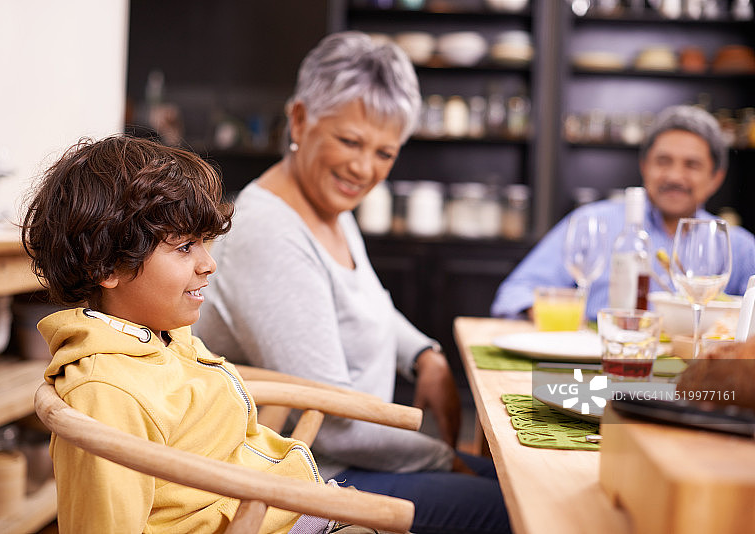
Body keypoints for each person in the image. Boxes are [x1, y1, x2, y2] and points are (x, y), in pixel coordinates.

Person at [194, 31, 510, 534]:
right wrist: (441, 456)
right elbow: (338, 426)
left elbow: (367, 302)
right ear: (299, 120)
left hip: (360, 457)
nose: (363, 169)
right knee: (516, 509)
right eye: (349, 141)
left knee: (514, 485)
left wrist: (424, 356)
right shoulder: (271, 232)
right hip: (314, 475)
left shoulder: (329, 208)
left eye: (385, 153)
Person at [21, 135, 328, 533]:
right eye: (185, 247)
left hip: (293, 501)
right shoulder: (108, 394)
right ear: (107, 267)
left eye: (204, 243)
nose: (209, 263)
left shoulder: (163, 335)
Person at [491, 104, 755, 321]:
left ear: (715, 178)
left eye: (692, 165)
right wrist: (569, 331)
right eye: (663, 161)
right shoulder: (593, 221)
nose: (675, 176)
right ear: (644, 166)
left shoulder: (738, 246)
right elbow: (515, 293)